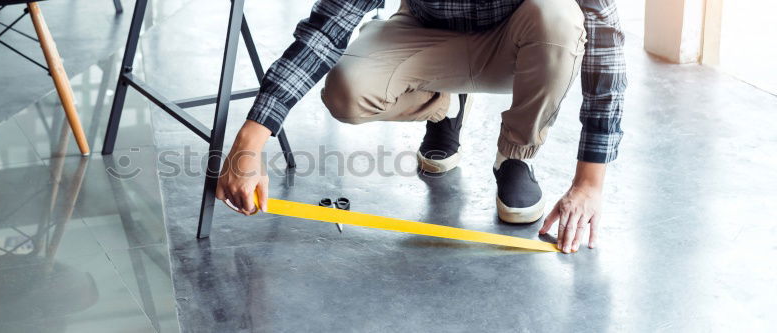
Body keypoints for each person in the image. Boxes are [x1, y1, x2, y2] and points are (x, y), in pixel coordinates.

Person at [215, 0, 626, 254]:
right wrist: (250, 141)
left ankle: (514, 155)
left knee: (561, 18)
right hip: (425, 32)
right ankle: (441, 106)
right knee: (347, 91)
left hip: (518, 39)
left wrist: (589, 183)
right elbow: (326, 30)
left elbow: (605, 39)